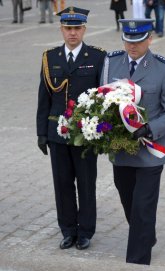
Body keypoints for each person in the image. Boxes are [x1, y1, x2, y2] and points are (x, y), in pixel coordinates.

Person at [100, 19, 165, 265]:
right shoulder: (110, 62)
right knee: (129, 201)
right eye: (128, 40)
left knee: (142, 206)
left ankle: (136, 263)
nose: (132, 46)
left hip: (150, 151)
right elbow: (100, 99)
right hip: (121, 150)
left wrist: (150, 129)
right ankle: (146, 235)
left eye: (137, 41)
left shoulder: (163, 69)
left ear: (150, 39)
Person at [36, 7, 107, 250]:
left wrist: (101, 132)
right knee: (62, 183)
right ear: (61, 30)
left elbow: (103, 98)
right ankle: (67, 230)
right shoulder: (50, 57)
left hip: (85, 133)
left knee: (86, 183)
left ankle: (85, 231)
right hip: (57, 133)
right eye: (68, 28)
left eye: (77, 28)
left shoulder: (97, 57)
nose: (72, 33)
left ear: (84, 29)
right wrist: (41, 132)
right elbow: (44, 97)